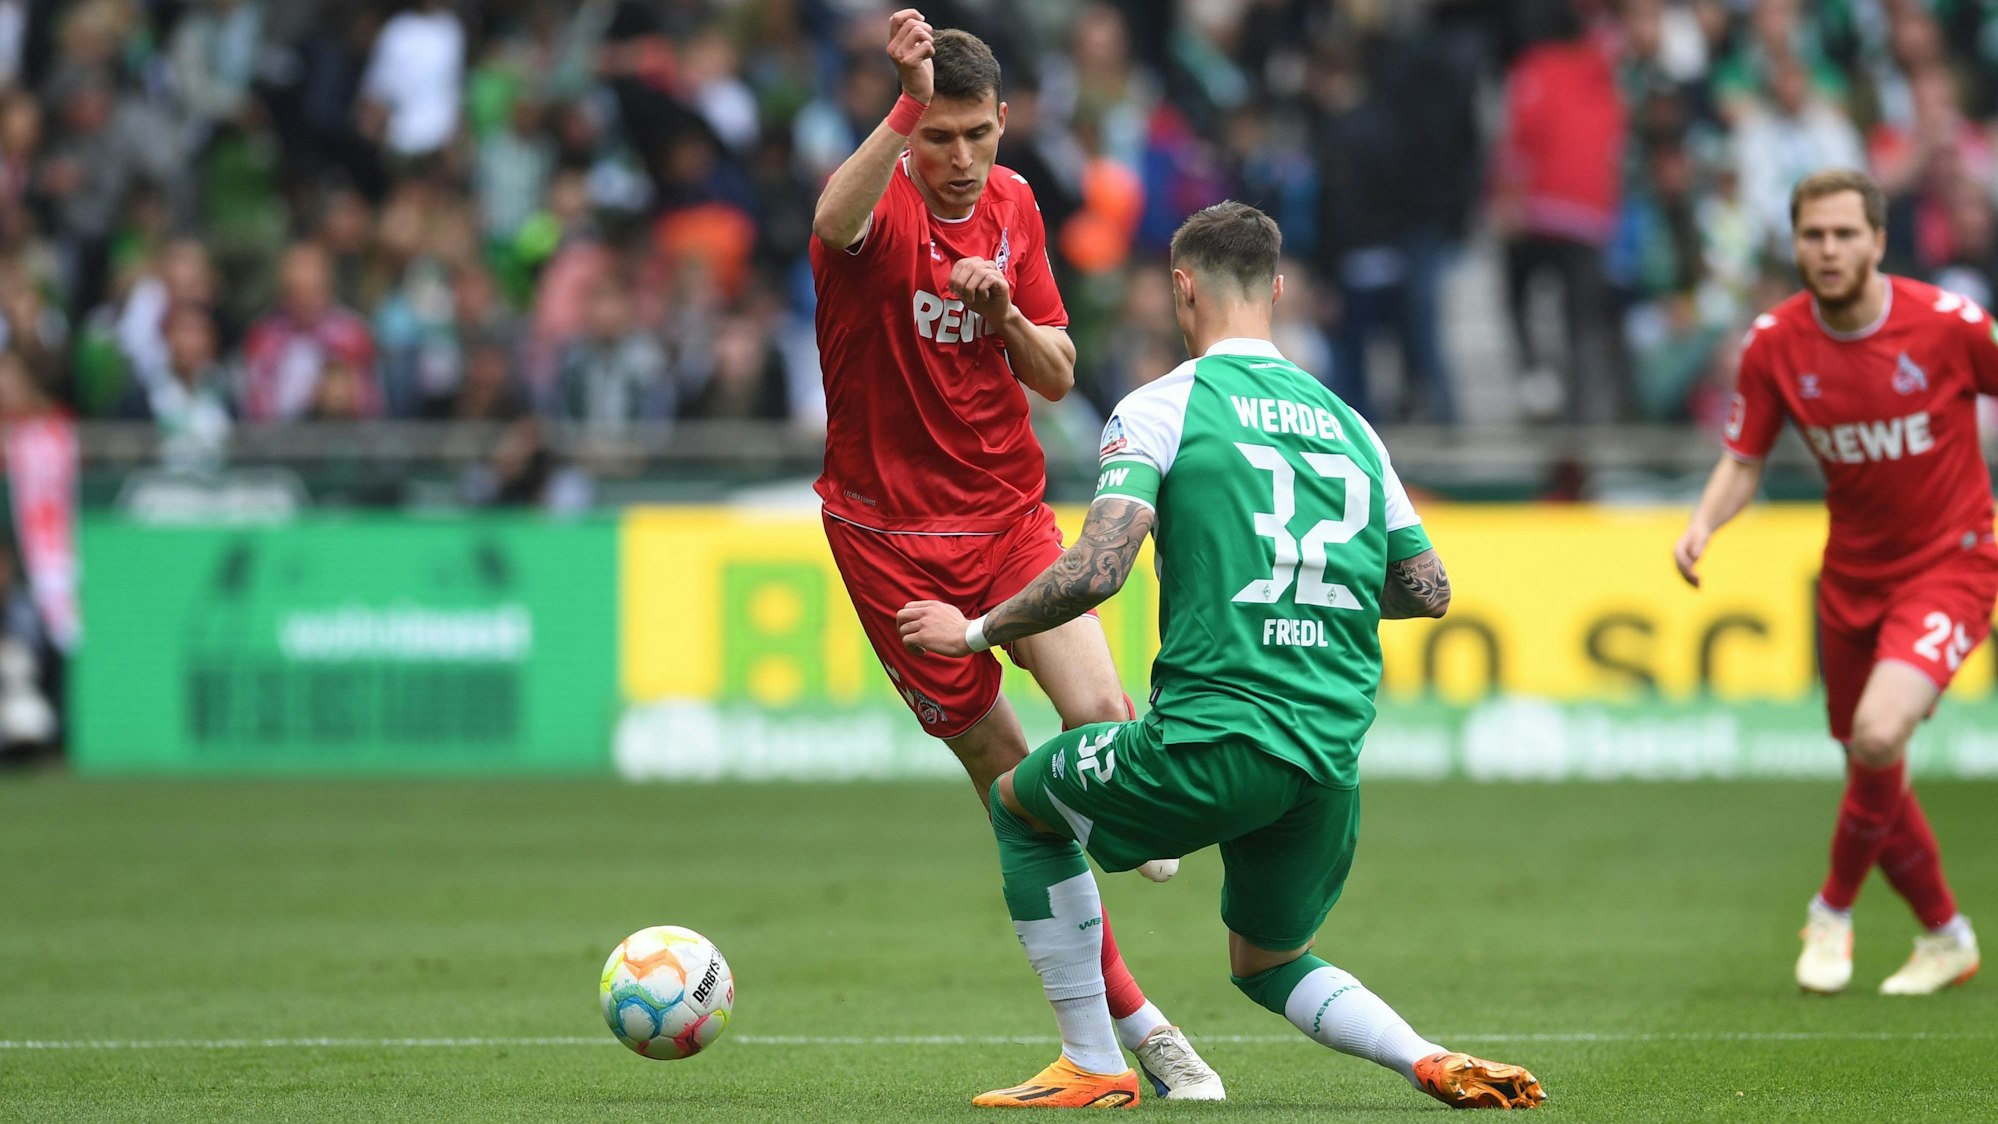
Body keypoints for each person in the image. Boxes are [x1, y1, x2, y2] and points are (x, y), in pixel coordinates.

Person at [898, 201, 1546, 1111]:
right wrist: (1302, 582)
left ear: (1181, 287)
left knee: (1018, 806)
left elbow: (1096, 569)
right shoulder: (1354, 425)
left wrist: (974, 631)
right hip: (1325, 761)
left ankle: (1092, 1058)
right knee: (1267, 961)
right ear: (1278, 290)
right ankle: (1427, 1059)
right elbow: (1428, 589)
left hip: (1213, 739)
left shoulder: (1163, 406)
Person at [805, 10, 1221, 1098]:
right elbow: (828, 220)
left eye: (975, 135)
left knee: (1102, 719)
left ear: (1004, 124)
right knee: (1009, 783)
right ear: (910, 130)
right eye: (937, 136)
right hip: (889, 540)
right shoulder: (876, 195)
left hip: (1006, 515)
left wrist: (1001, 315)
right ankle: (1134, 1025)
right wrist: (897, 108)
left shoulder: (1019, 206)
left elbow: (1055, 373)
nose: (957, 159)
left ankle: (1126, 823)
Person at [1675, 168, 1989, 996]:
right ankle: (1946, 935)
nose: (1829, 249)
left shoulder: (1950, 326)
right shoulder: (1775, 342)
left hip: (1952, 563)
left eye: (1846, 233)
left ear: (1880, 241)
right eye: (1814, 236)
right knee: (1868, 761)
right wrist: (1706, 522)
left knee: (1881, 734)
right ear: (1797, 244)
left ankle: (1832, 909)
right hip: (1850, 579)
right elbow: (1742, 459)